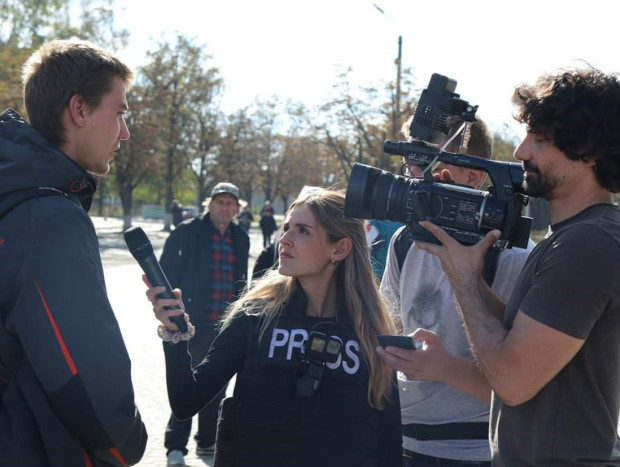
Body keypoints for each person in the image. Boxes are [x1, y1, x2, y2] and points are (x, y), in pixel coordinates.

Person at [380, 67, 620, 465]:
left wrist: (463, 283)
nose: (521, 151)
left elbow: (511, 380)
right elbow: (517, 336)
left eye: (539, 139)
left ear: (590, 152)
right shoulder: (568, 238)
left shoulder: (588, 244)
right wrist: (469, 273)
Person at [146, 188, 402, 466]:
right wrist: (175, 335)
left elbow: (387, 442)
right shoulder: (255, 315)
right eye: (286, 228)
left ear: (339, 248)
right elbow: (186, 401)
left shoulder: (372, 332)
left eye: (302, 231)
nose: (285, 240)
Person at [0, 40, 147, 465]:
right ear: (78, 110)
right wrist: (128, 442)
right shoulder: (48, 217)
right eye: (119, 112)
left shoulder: (15, 195)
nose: (125, 131)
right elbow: (81, 375)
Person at [379, 114, 535, 466]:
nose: (413, 177)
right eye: (409, 163)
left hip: (477, 452)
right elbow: (389, 333)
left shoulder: (513, 259)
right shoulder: (403, 243)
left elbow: (524, 387)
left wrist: (445, 367)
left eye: (429, 164)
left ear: (474, 175)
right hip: (400, 440)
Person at [159, 181, 249, 465]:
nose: (224, 207)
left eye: (230, 203)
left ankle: (207, 440)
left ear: (237, 209)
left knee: (218, 386)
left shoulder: (240, 237)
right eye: (219, 202)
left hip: (224, 325)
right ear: (209, 204)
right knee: (186, 382)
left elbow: (241, 281)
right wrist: (172, 315)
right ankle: (175, 447)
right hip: (190, 322)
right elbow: (164, 273)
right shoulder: (188, 232)